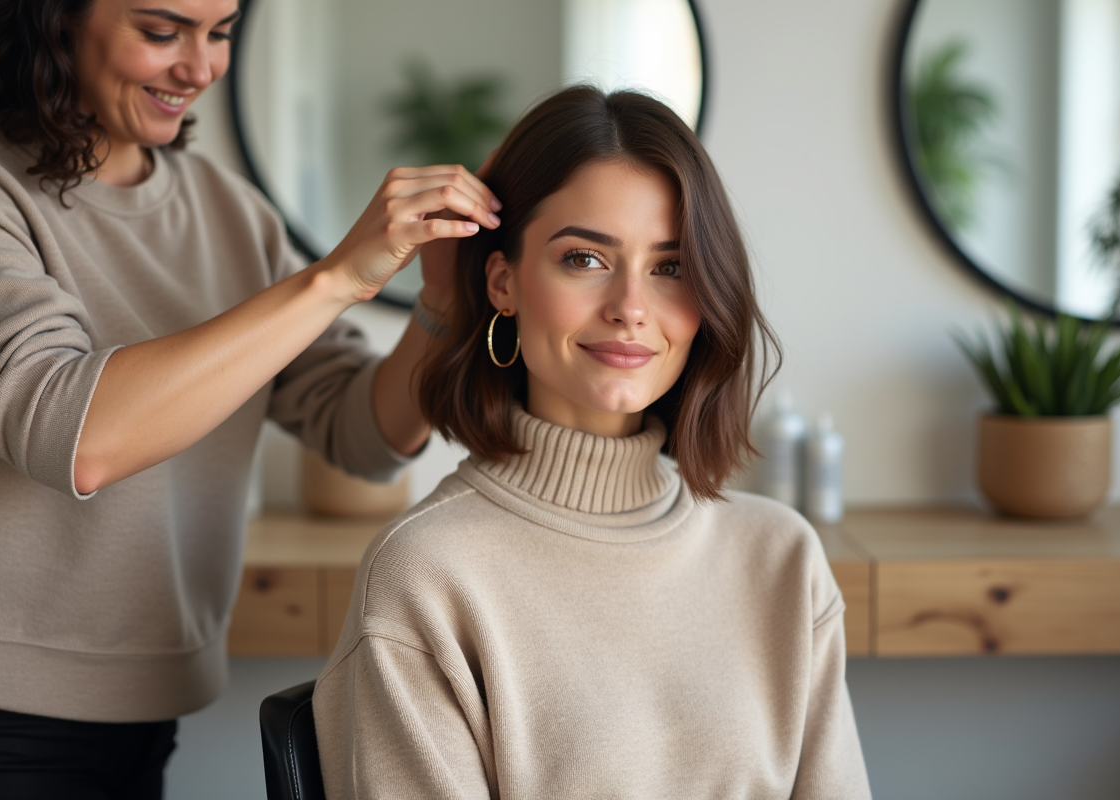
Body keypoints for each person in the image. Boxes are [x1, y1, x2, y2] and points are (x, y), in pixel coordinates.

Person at [0, 0, 499, 795]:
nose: (201, 67)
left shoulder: (231, 212)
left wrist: (442, 308)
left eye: (220, 33)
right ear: (54, 19)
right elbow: (71, 436)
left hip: (147, 706)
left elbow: (361, 432)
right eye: (162, 31)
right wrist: (334, 279)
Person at [313, 86, 872, 799]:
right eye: (584, 259)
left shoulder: (782, 557)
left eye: (670, 267)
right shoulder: (425, 574)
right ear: (503, 282)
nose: (630, 308)